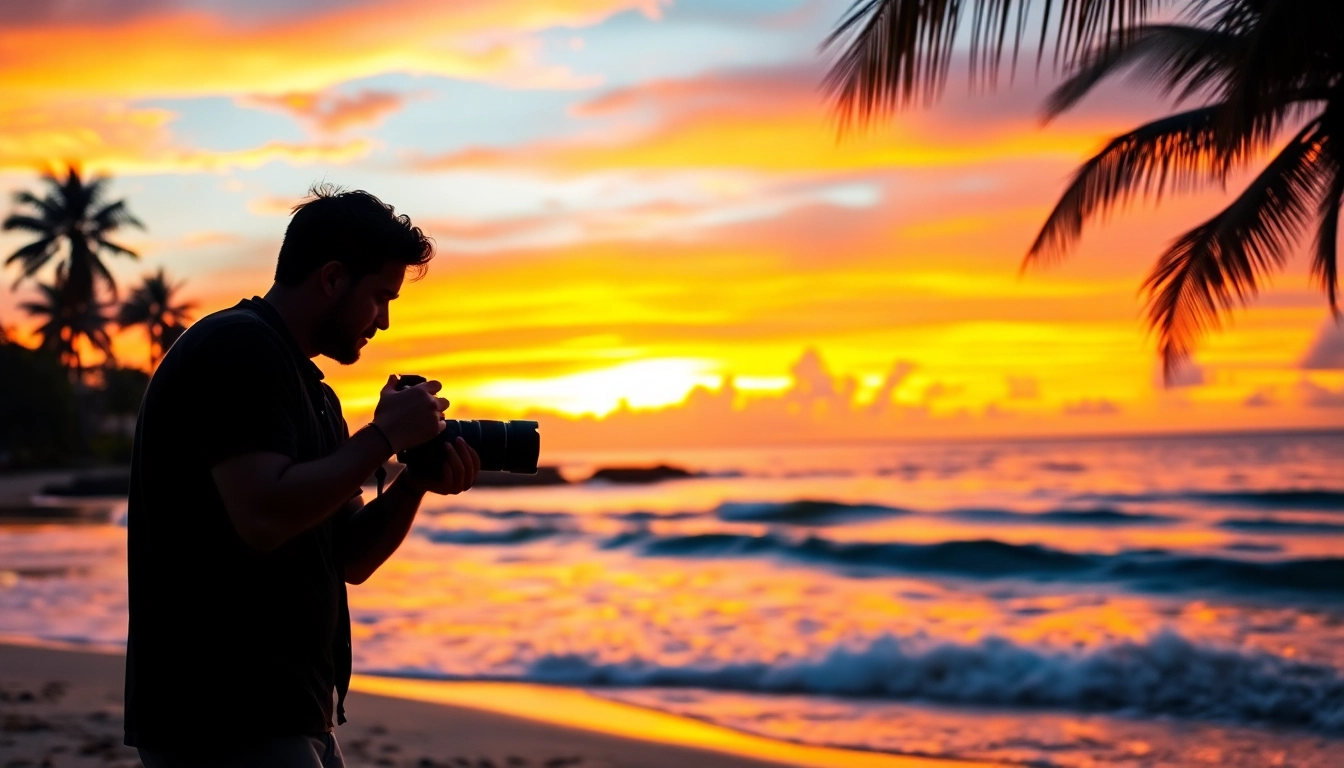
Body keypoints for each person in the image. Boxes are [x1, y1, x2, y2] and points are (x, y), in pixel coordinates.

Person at [124, 186, 479, 767]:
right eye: (379, 298)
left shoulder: (312, 392)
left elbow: (349, 559)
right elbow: (262, 514)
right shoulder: (237, 347)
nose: (384, 322)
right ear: (333, 279)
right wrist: (384, 437)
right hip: (219, 713)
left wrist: (414, 477)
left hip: (290, 710)